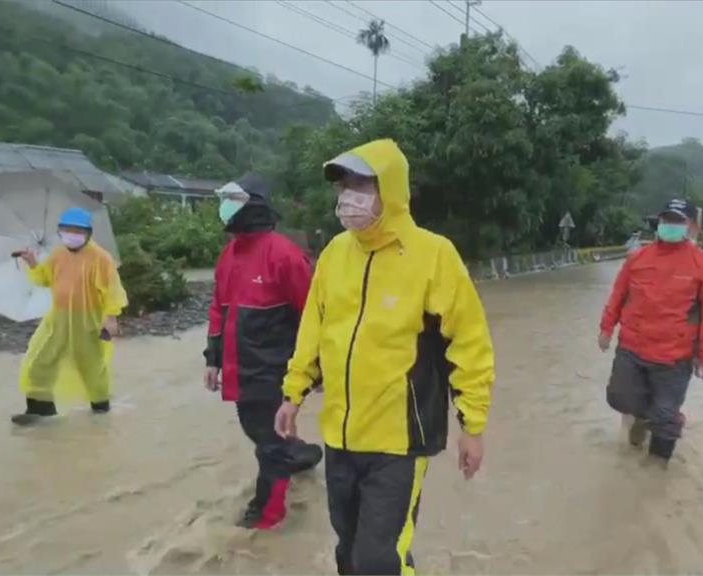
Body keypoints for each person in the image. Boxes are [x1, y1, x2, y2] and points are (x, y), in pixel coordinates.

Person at [274, 139, 495, 575]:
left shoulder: (433, 255)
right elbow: (313, 330)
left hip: (399, 441)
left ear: (389, 189)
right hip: (340, 437)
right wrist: (293, 393)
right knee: (348, 551)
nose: (348, 195)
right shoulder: (336, 254)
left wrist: (473, 425)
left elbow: (468, 343)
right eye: (343, 184)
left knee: (378, 559)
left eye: (361, 182)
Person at [204, 174, 323, 530]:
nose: (225, 209)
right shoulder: (230, 253)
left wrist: (317, 368)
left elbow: (313, 314)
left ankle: (266, 516)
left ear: (254, 204)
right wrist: (212, 359)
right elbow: (218, 308)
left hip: (275, 370)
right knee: (258, 431)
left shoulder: (284, 255)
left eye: (233, 201)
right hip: (240, 368)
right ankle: (301, 456)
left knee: (268, 442)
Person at [598, 198, 703, 464]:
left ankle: (656, 478)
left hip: (674, 357)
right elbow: (618, 296)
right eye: (667, 220)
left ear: (692, 226)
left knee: (665, 418)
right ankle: (644, 417)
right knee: (619, 397)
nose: (670, 225)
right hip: (632, 348)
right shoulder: (638, 259)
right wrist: (606, 328)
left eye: (678, 221)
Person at [13, 207, 128, 426]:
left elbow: (113, 290)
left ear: (88, 233)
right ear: (59, 231)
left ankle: (101, 413)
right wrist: (33, 263)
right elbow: (45, 280)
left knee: (92, 367)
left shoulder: (101, 258)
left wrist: (111, 318)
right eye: (66, 230)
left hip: (88, 322)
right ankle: (39, 410)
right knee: (39, 360)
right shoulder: (58, 255)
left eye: (77, 230)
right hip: (58, 320)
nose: (71, 234)